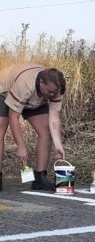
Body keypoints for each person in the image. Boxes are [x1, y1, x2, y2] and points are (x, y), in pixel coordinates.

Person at [0, 63, 66, 191]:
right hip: (4, 91)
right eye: (51, 92)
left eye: (55, 92)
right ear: (41, 82)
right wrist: (21, 147)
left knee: (46, 132)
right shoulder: (26, 84)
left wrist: (58, 146)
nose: (53, 95)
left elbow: (54, 117)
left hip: (33, 97)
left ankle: (40, 178)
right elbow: (13, 117)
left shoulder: (56, 89)